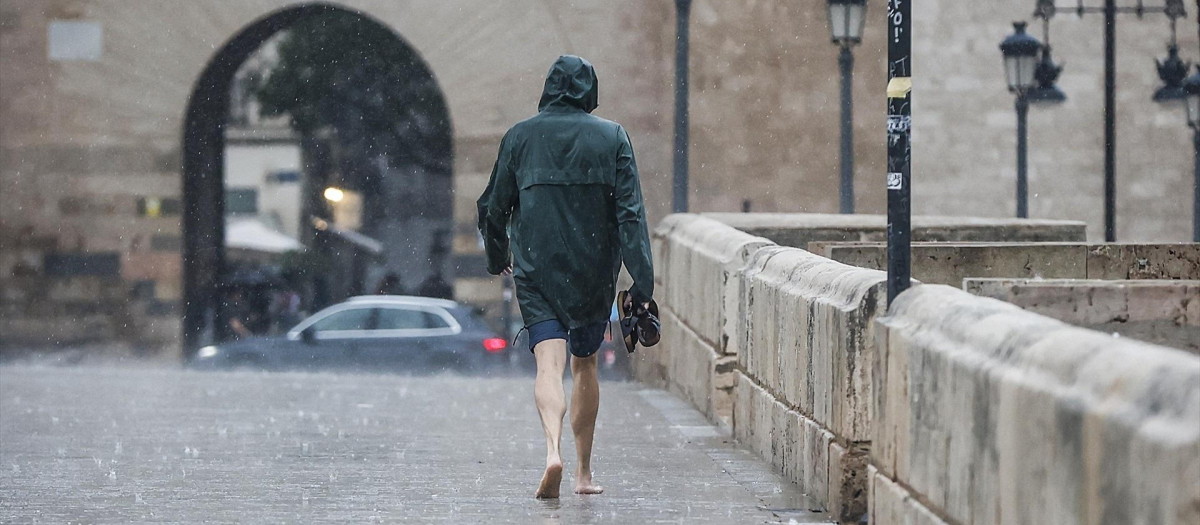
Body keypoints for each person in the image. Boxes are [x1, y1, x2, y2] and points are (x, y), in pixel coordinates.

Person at [477, 55, 654, 499]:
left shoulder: (520, 136)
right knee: (586, 362)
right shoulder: (613, 137)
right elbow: (630, 216)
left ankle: (551, 450)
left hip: (537, 266)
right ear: (589, 91)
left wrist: (498, 254)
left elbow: (493, 207)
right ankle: (583, 473)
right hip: (594, 270)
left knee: (548, 364)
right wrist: (643, 282)